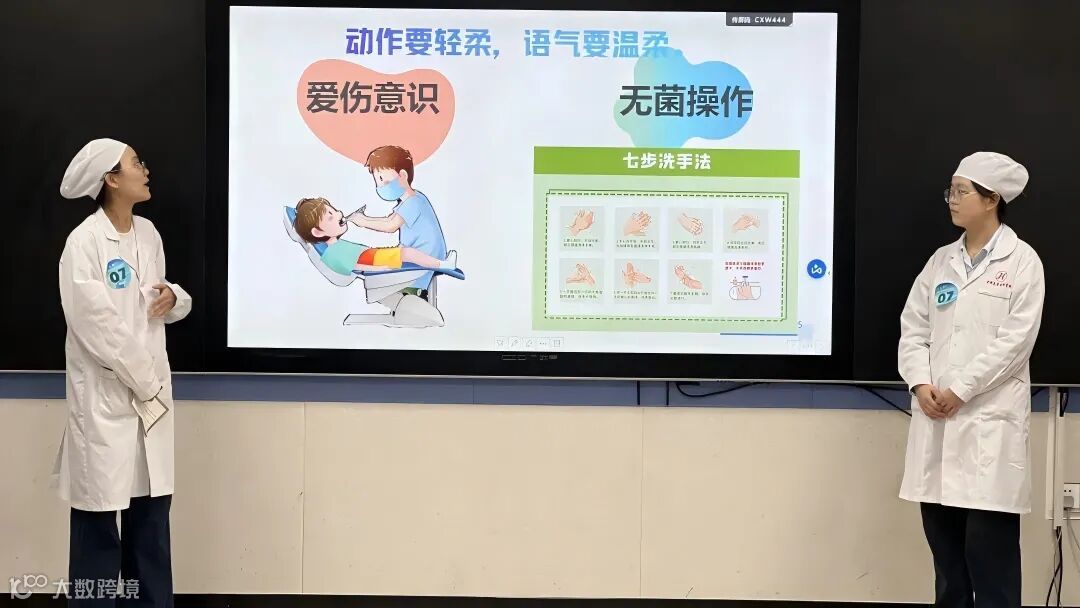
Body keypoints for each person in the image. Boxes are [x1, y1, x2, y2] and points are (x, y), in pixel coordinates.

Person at [898, 151, 1044, 608]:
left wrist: (960, 390)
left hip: (989, 429)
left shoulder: (1022, 262)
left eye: (962, 191)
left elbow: (1016, 342)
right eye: (952, 191)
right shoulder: (940, 261)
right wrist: (921, 383)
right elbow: (913, 329)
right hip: (937, 425)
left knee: (993, 568)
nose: (952, 199)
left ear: (991, 199)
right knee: (948, 571)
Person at [54, 138, 192, 607]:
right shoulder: (84, 243)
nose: (145, 169)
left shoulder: (148, 234)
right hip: (107, 404)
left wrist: (175, 297)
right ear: (112, 179)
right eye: (136, 163)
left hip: (150, 406)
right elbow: (98, 327)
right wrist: (147, 383)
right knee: (97, 533)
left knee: (150, 530)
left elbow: (154, 299)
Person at [347, 145, 448, 299]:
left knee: (381, 265)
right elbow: (391, 220)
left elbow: (390, 225)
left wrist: (362, 221)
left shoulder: (413, 202)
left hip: (425, 255)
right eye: (377, 182)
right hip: (420, 253)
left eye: (383, 180)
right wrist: (362, 219)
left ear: (402, 175)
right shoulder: (413, 199)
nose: (380, 186)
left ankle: (412, 296)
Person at [292, 196, 457, 275]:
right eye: (330, 216)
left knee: (406, 252)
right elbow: (357, 266)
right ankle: (443, 265)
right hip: (373, 259)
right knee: (407, 253)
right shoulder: (334, 253)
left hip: (373, 256)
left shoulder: (333, 250)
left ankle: (440, 264)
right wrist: (382, 269)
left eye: (334, 210)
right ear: (318, 232)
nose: (339, 213)